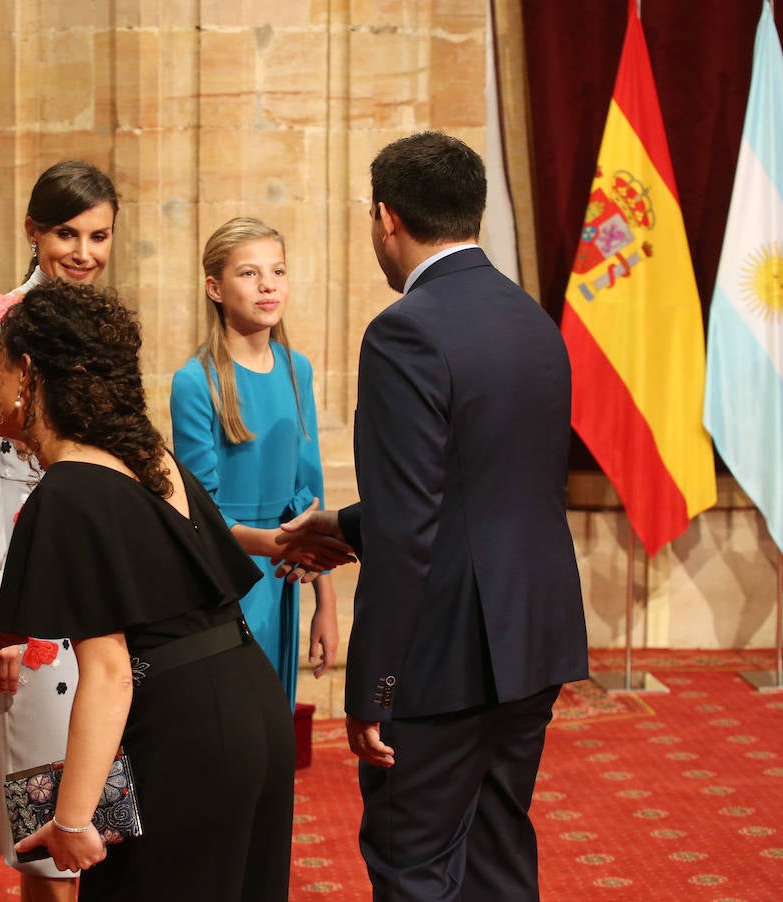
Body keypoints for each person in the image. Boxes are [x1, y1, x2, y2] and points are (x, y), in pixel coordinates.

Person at [276, 131, 588, 901]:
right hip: (533, 639)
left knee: (413, 868)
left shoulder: (404, 330)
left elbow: (414, 524)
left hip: (445, 659)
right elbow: (486, 486)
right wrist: (346, 527)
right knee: (497, 855)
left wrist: (373, 688)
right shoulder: (533, 320)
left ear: (386, 217)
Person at [0, 282, 332, 902]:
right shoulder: (151, 457)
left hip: (180, 733)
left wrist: (71, 820)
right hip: (251, 704)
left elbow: (110, 670)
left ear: (29, 372)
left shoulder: (65, 494)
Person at [0, 160, 118, 902]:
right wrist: (0, 608)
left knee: (88, 822)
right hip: (30, 600)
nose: (83, 252)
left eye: (99, 235)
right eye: (67, 232)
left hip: (96, 590)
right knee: (48, 842)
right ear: (32, 231)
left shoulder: (101, 324)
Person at [169, 217, 340, 710]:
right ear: (214, 288)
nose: (268, 285)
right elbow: (202, 513)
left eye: (278, 271)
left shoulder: (296, 367)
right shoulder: (195, 381)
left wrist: (325, 604)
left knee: (276, 736)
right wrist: (279, 545)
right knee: (237, 729)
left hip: (287, 573)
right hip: (231, 578)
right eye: (249, 273)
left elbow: (309, 495)